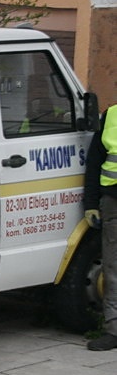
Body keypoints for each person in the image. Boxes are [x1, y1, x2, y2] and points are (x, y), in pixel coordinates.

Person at [84, 103, 117, 350]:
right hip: (112, 201)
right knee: (113, 267)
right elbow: (95, 161)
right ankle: (114, 330)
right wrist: (91, 203)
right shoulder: (111, 115)